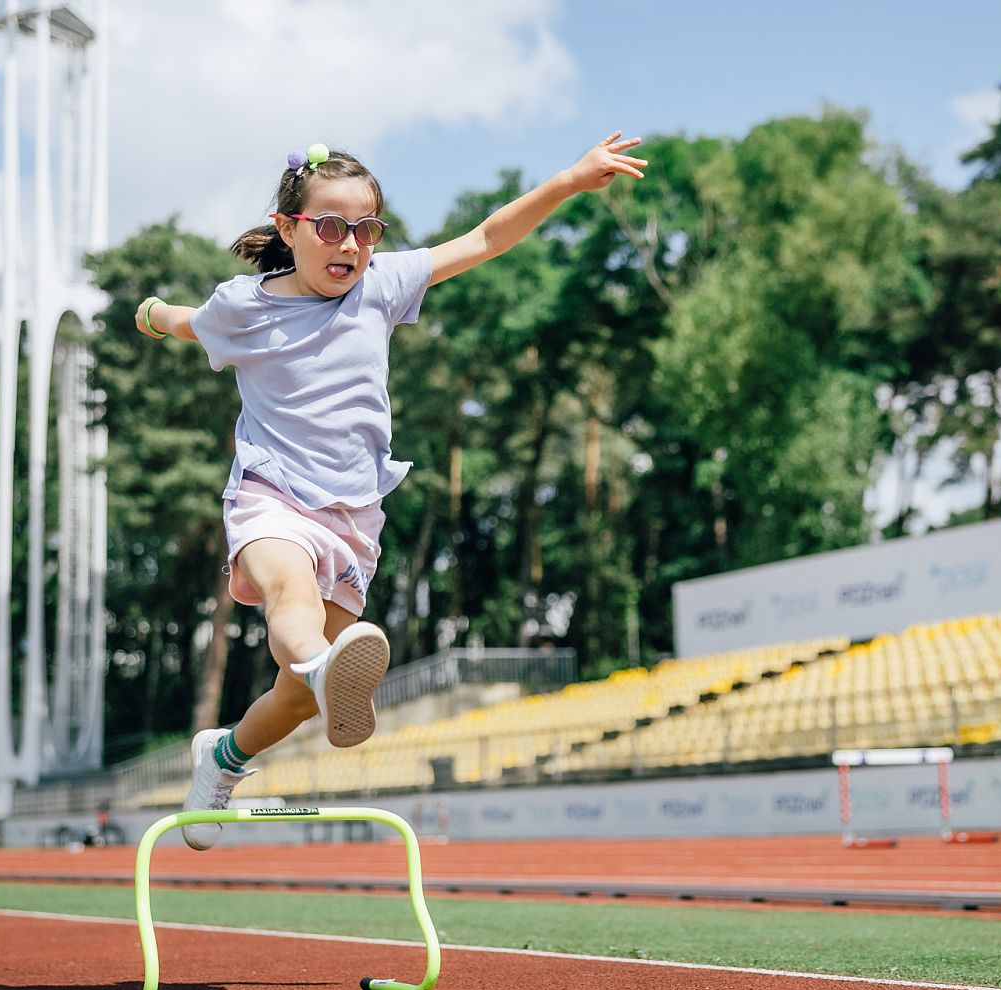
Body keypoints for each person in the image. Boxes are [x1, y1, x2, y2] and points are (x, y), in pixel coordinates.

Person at [135, 132, 648, 849]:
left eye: (367, 228)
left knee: (292, 703)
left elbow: (488, 237)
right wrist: (152, 315)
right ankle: (322, 669)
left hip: (354, 520)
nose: (351, 243)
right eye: (332, 226)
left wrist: (568, 180)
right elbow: (188, 323)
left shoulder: (381, 286)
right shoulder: (242, 306)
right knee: (291, 601)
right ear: (289, 227)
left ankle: (224, 757)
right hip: (272, 496)